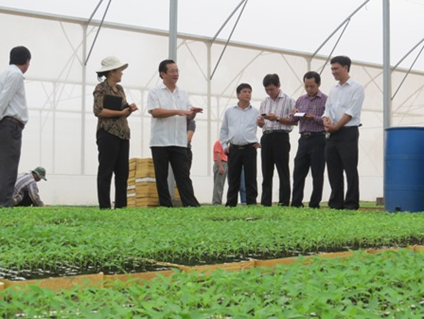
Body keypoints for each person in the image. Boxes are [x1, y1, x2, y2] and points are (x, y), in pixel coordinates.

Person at [147, 59, 201, 207]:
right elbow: (155, 112)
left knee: (183, 175)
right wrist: (178, 111)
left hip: (179, 141)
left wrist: (192, 113)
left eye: (177, 71)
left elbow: (189, 115)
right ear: (162, 74)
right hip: (160, 141)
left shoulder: (183, 93)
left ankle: (190, 204)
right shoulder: (154, 92)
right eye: (172, 71)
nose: (175, 74)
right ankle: (165, 205)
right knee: (161, 176)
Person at [93, 56, 138, 209]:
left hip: (123, 134)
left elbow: (123, 111)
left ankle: (121, 206)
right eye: (119, 70)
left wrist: (129, 110)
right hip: (107, 133)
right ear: (112, 72)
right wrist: (120, 113)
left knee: (122, 172)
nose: (121, 73)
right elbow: (98, 111)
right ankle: (105, 206)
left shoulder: (120, 89)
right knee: (106, 170)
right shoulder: (101, 88)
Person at [322, 55, 365, 210]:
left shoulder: (357, 88)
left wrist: (337, 126)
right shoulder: (333, 89)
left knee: (350, 168)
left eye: (336, 68)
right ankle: (335, 203)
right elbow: (327, 108)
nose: (333, 72)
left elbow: (351, 111)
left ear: (346, 68)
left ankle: (351, 203)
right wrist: (325, 120)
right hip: (332, 134)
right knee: (333, 168)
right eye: (332, 69)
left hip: (348, 132)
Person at [257, 74, 296, 207]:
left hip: (281, 136)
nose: (269, 92)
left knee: (282, 170)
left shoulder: (289, 100)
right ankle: (266, 201)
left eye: (272, 89)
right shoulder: (264, 102)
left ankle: (284, 201)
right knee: (266, 171)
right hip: (266, 136)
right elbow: (262, 124)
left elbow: (294, 121)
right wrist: (260, 122)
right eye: (267, 89)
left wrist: (277, 118)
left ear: (279, 86)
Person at [290, 71, 327, 208]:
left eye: (312, 86)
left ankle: (314, 203)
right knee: (298, 171)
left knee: (317, 173)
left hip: (319, 138)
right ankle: (296, 202)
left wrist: (313, 117)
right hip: (303, 139)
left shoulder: (325, 100)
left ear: (318, 84)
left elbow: (327, 121)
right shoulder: (300, 100)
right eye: (306, 86)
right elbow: (293, 119)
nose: (309, 89)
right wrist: (294, 114)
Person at [0, 46, 31, 208]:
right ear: (27, 61)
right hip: (10, 124)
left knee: (4, 163)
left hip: (6, 125)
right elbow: (3, 99)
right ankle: (4, 203)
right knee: (9, 165)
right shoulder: (16, 75)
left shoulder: (5, 73)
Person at [220, 83, 260, 207]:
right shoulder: (229, 112)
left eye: (249, 91)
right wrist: (224, 146)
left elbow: (265, 126)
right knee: (233, 178)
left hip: (250, 148)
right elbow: (224, 131)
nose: (247, 94)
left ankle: (251, 203)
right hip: (234, 149)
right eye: (244, 91)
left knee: (251, 178)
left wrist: (259, 142)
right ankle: (231, 204)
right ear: (238, 95)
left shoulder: (256, 112)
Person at [212, 140, 228, 205]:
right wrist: (220, 166)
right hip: (221, 163)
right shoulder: (219, 142)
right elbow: (217, 153)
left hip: (225, 163)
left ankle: (218, 201)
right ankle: (216, 202)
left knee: (221, 184)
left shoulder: (226, 143)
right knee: (218, 184)